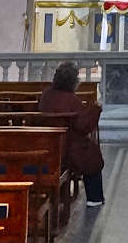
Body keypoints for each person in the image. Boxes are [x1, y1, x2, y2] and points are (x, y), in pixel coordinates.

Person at [39, 61, 105, 207]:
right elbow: (83, 126)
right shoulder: (71, 99)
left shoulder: (47, 94)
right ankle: (94, 198)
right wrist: (95, 110)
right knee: (92, 158)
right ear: (73, 81)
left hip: (46, 143)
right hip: (67, 146)